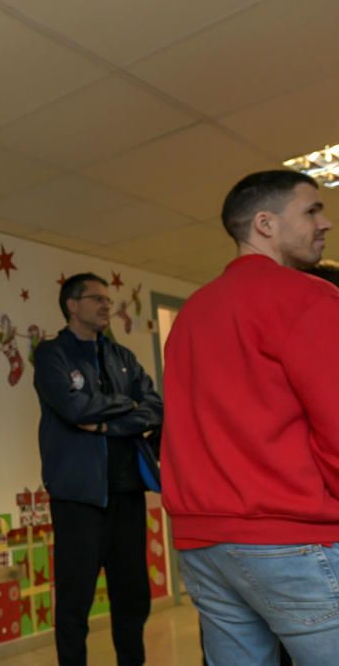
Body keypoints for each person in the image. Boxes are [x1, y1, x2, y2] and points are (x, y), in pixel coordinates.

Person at [162, 169, 339, 664]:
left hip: (204, 543)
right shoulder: (309, 297)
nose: (324, 222)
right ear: (265, 223)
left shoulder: (192, 314)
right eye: (310, 211)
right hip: (289, 534)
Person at [32, 273, 162, 666]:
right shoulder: (52, 354)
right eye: (98, 299)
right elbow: (73, 409)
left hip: (128, 495)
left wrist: (106, 422)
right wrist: (127, 409)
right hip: (78, 498)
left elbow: (156, 407)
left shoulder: (122, 357)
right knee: (74, 603)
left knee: (133, 599)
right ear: (73, 305)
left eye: (109, 299)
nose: (108, 305)